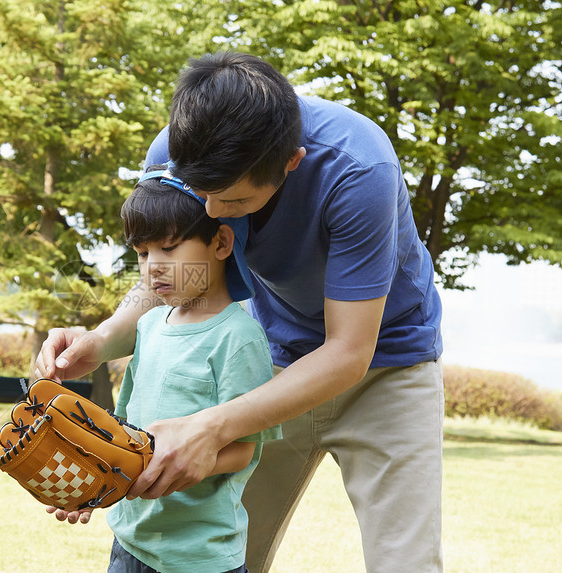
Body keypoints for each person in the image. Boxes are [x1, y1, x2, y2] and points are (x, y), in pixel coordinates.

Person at [36, 52, 444, 573]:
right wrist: (104, 338)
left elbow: (348, 351)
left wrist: (212, 426)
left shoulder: (359, 169)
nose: (209, 211)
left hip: (389, 366)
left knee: (404, 562)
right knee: (219, 553)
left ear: (290, 163)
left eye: (231, 200)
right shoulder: (175, 152)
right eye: (201, 192)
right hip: (267, 361)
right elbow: (178, 275)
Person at [49, 166, 281, 573]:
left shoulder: (239, 337)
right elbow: (124, 432)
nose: (152, 266)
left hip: (201, 556)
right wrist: (92, 479)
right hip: (129, 543)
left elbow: (245, 449)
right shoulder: (148, 325)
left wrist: (179, 461)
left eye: (169, 248)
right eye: (142, 253)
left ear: (221, 242)